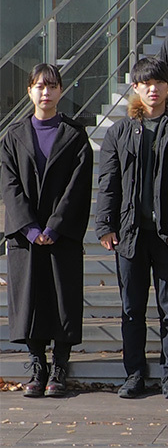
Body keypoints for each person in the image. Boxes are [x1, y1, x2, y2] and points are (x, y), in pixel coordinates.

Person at [96, 57, 168, 399]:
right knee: (132, 308)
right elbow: (108, 182)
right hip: (130, 234)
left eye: (159, 82)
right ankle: (135, 373)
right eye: (146, 83)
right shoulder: (120, 131)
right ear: (136, 87)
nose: (153, 89)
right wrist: (105, 225)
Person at [1, 64, 93, 397]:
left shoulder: (75, 135)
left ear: (61, 91)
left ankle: (59, 367)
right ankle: (38, 365)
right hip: (26, 236)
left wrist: (55, 226)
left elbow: (78, 187)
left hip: (61, 234)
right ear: (30, 91)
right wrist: (29, 227)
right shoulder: (13, 136)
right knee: (30, 300)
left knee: (62, 300)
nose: (46, 92)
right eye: (40, 86)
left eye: (52, 86)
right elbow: (9, 184)